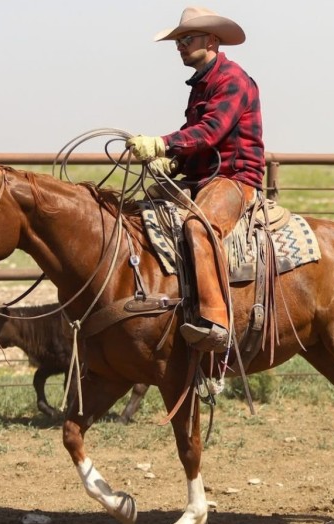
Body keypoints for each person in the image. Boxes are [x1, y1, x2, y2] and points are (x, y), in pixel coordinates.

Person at [126, 6, 265, 353]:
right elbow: (196, 135)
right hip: (203, 177)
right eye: (178, 41)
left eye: (187, 39)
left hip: (235, 178)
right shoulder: (202, 85)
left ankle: (216, 321)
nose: (180, 46)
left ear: (212, 40)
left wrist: (161, 144)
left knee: (199, 227)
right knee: (144, 208)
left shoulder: (233, 80)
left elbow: (211, 130)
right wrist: (174, 163)